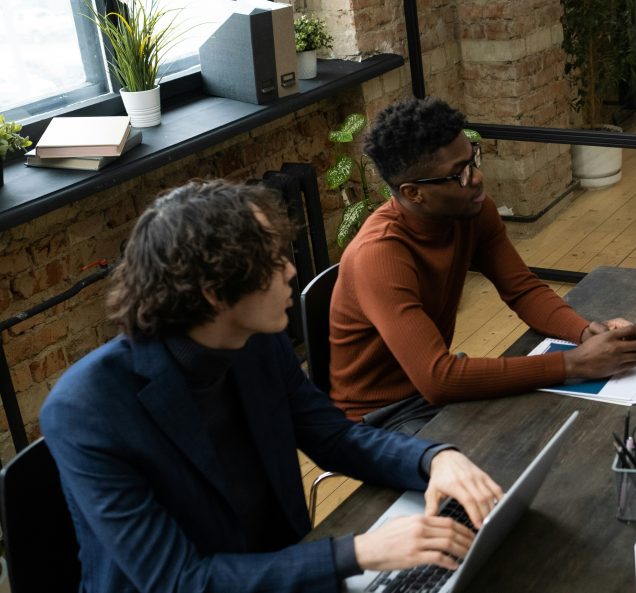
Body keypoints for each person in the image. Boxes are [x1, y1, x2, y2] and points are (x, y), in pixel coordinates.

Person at [40, 180, 505, 593]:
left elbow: (334, 437)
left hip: (286, 568)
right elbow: (178, 580)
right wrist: (361, 553)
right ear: (214, 292)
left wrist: (433, 458)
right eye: (272, 260)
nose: (290, 271)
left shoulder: (254, 339)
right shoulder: (86, 408)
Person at [328, 97, 636, 429]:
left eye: (473, 160)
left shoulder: (471, 210)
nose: (478, 178)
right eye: (460, 174)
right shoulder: (380, 256)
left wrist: (583, 332)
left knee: (564, 427)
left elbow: (522, 290)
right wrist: (573, 364)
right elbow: (439, 379)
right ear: (413, 193)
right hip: (379, 418)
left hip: (431, 392)